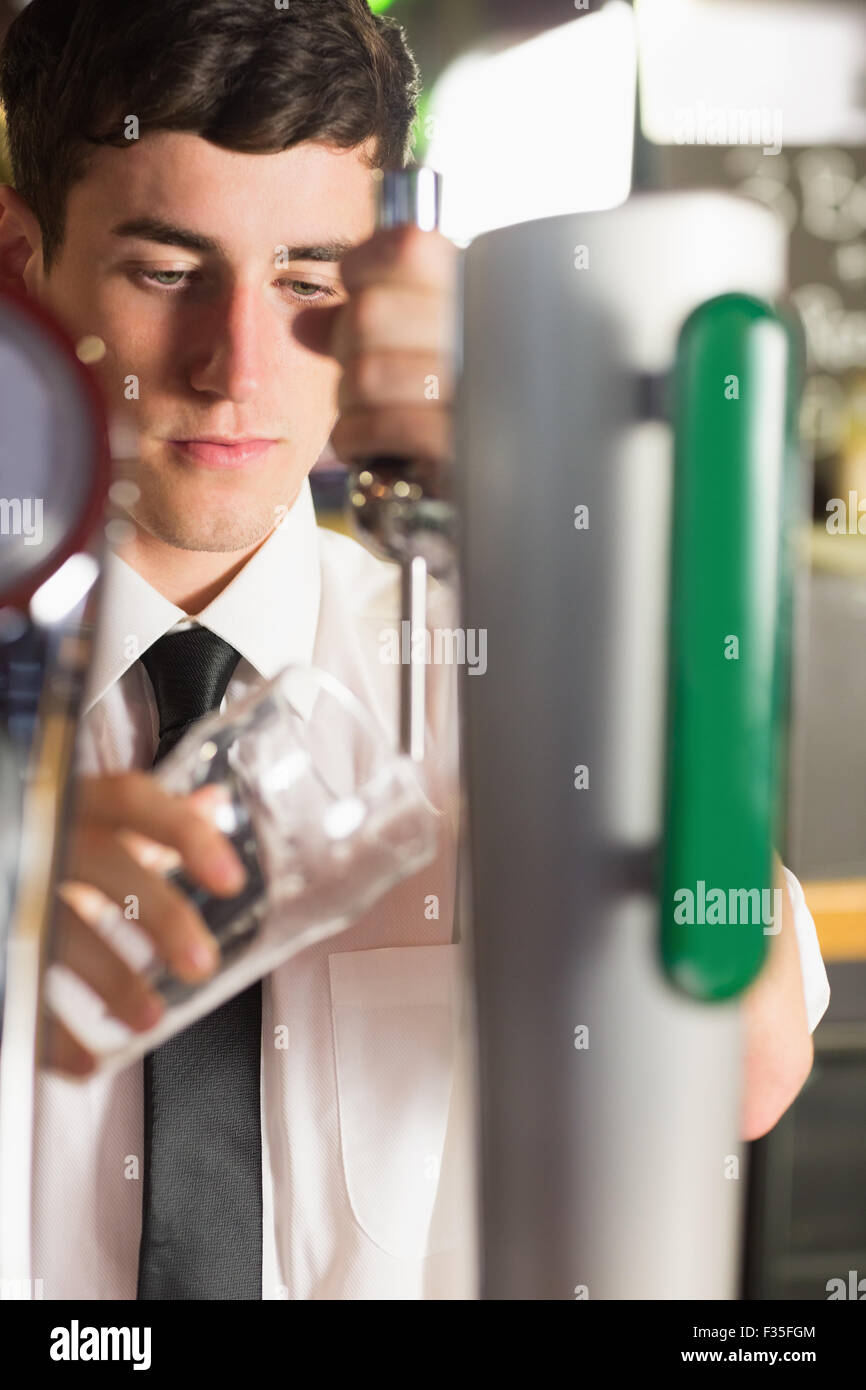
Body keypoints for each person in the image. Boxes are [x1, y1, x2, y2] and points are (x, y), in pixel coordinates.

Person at [0, 0, 829, 1301]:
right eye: (165, 273)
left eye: (308, 284)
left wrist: (550, 502)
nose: (238, 366)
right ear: (22, 256)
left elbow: (740, 1068)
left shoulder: (519, 659)